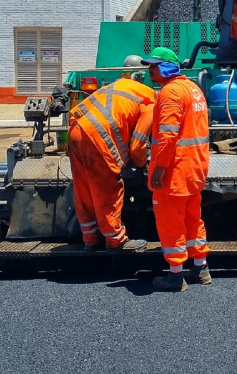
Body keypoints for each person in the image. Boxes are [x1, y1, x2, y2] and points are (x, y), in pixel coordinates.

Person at [142, 47, 211, 292]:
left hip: (174, 170)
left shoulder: (170, 93)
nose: (149, 70)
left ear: (167, 67)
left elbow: (168, 136)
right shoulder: (193, 88)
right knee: (192, 218)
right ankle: (200, 267)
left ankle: (175, 275)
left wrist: (159, 168)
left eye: (154, 66)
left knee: (170, 221)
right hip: (194, 167)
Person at [67, 76, 154, 253]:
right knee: (107, 189)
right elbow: (137, 146)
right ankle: (115, 240)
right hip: (97, 137)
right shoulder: (151, 105)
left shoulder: (125, 87)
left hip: (75, 129)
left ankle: (90, 239)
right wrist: (142, 164)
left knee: (84, 189)